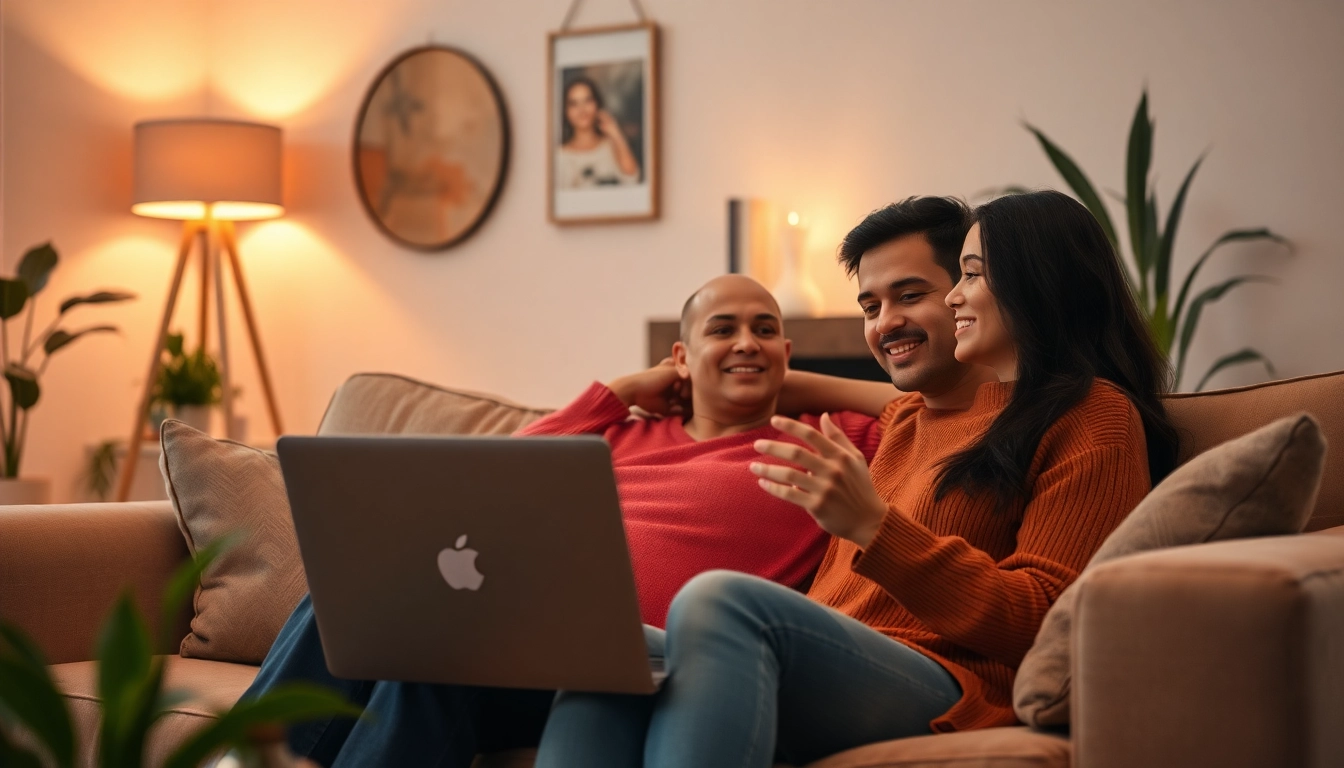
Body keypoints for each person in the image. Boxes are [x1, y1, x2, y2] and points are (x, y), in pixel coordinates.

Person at [534, 191, 1181, 767]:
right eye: (871, 305)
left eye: (968, 276)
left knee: (716, 599)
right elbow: (884, 388)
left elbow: (1047, 618)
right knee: (607, 652)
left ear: (1035, 285)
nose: (955, 294)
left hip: (948, 677)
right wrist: (691, 378)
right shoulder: (907, 419)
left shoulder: (1093, 413)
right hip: (828, 659)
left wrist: (874, 527)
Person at [237, 274, 893, 767]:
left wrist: (785, 380)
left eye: (764, 330)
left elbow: (931, 404)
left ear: (787, 346)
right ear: (679, 356)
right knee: (355, 608)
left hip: (649, 666)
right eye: (722, 330)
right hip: (522, 645)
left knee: (430, 656)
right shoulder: (620, 432)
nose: (746, 342)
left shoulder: (828, 439)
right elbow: (488, 488)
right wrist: (619, 392)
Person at [555, 76, 641, 188]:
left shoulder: (611, 146)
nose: (582, 109)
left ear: (597, 104)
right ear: (565, 111)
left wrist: (614, 132)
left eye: (587, 100)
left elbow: (633, 177)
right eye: (574, 104)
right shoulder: (560, 155)